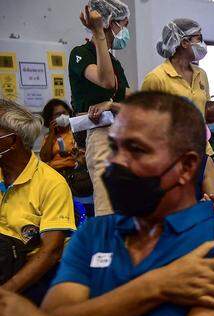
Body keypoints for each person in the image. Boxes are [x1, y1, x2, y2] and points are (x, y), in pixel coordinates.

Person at [0, 92, 214, 316]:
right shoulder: (94, 233)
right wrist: (155, 287)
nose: (116, 163)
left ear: (186, 167)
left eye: (136, 150)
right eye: (114, 147)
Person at [141, 18, 214, 215]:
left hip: (201, 151)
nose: (202, 44)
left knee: (210, 209)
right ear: (184, 42)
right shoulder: (157, 78)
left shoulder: (201, 74)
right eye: (198, 39)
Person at [0, 99, 75, 305]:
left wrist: (5, 293)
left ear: (12, 141)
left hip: (31, 280)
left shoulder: (51, 184)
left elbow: (50, 252)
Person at [69, 0, 131, 216]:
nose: (126, 30)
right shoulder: (81, 54)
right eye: (123, 24)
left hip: (123, 134)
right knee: (108, 205)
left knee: (127, 204)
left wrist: (112, 105)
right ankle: (107, 247)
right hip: (100, 133)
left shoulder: (116, 63)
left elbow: (132, 106)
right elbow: (106, 81)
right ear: (109, 23)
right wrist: (99, 34)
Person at [39, 99, 93, 199]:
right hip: (54, 177)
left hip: (77, 176)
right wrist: (52, 133)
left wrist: (73, 154)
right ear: (51, 118)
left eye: (64, 112)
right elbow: (44, 158)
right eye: (58, 114)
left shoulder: (77, 132)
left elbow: (88, 155)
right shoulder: (49, 137)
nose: (62, 116)